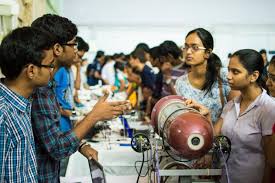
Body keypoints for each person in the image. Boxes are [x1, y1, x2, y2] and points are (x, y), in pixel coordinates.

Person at [31, 14, 130, 183]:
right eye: (74, 43)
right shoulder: (40, 91)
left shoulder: (50, 84)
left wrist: (81, 145)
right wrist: (94, 115)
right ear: (57, 49)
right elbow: (57, 148)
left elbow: (52, 131)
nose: (76, 50)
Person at [210, 49, 275, 183]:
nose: (228, 76)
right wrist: (205, 116)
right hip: (226, 178)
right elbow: (214, 135)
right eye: (228, 70)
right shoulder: (230, 105)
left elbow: (271, 161)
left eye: (235, 72)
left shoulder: (267, 108)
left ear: (254, 76)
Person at [0, 27, 55, 182]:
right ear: (31, 70)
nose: (52, 71)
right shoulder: (3, 115)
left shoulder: (23, 103)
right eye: (50, 65)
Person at [175, 28, 238, 123]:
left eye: (195, 47)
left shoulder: (224, 76)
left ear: (207, 53)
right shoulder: (181, 82)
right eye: (186, 47)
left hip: (222, 136)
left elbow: (236, 113)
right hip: (193, 136)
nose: (188, 52)